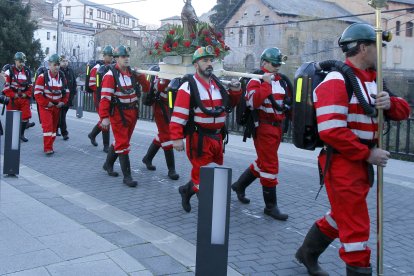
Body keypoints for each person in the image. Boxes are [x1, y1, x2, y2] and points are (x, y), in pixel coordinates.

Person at [295, 23, 411, 276]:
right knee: (356, 228)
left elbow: (404, 111)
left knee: (342, 215)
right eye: (377, 47)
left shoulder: (373, 78)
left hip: (359, 163)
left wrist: (390, 102)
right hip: (343, 164)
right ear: (363, 47)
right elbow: (331, 131)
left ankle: (307, 253)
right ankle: (358, 268)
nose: (380, 53)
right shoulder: (336, 81)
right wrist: (368, 154)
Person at [170, 46, 242, 212]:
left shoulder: (217, 86)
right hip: (199, 139)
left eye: (211, 60)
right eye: (205, 60)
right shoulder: (188, 87)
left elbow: (228, 105)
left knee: (215, 174)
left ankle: (186, 191)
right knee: (204, 179)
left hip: (217, 138)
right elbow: (178, 114)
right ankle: (210, 214)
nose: (209, 64)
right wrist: (176, 137)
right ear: (196, 64)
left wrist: (236, 91)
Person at [231, 47, 290, 221]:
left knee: (263, 162)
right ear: (264, 63)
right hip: (264, 127)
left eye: (279, 64)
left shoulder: (281, 80)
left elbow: (286, 102)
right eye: (274, 63)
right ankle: (270, 207)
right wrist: (266, 83)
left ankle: (239, 185)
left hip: (277, 127)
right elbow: (253, 102)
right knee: (270, 166)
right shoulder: (255, 80)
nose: (278, 67)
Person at [99, 45, 150, 187]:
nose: (126, 59)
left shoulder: (132, 73)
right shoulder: (110, 76)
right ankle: (127, 177)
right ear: (116, 59)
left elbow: (147, 88)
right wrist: (104, 117)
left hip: (132, 112)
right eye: (123, 56)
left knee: (122, 141)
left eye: (127, 56)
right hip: (118, 114)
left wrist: (141, 77)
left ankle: (108, 164)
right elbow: (105, 98)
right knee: (123, 143)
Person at [142, 71, 179, 181]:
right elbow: (160, 86)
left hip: (172, 107)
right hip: (161, 107)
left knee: (163, 135)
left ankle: (147, 158)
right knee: (167, 136)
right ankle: (171, 169)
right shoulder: (163, 72)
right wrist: (169, 77)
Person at [34, 54, 69, 155]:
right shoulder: (42, 77)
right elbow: (37, 94)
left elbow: (66, 92)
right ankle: (48, 148)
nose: (57, 67)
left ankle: (50, 145)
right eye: (54, 64)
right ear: (49, 65)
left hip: (57, 106)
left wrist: (63, 102)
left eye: (58, 64)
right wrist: (46, 103)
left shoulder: (62, 77)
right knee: (48, 127)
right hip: (46, 106)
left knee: (54, 128)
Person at [88, 45, 114, 153]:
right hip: (99, 97)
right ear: (104, 56)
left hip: (109, 97)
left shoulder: (113, 67)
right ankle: (106, 145)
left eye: (112, 56)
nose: (111, 58)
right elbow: (92, 84)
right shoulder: (96, 67)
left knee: (106, 119)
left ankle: (92, 134)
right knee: (105, 119)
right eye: (109, 56)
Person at [2, 52, 33, 142]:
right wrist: (13, 95)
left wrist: (26, 94)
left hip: (23, 97)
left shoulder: (27, 71)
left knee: (25, 116)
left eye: (23, 62)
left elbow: (30, 86)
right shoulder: (10, 71)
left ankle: (21, 134)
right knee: (12, 117)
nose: (22, 64)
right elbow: (6, 86)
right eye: (20, 62)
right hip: (12, 98)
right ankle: (12, 136)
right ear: (15, 61)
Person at [57, 55, 77, 140]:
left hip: (69, 98)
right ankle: (64, 132)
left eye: (66, 61)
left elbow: (74, 83)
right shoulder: (57, 71)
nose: (65, 63)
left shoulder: (70, 71)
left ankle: (55, 128)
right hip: (60, 98)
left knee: (61, 116)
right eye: (63, 61)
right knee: (62, 116)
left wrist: (73, 94)